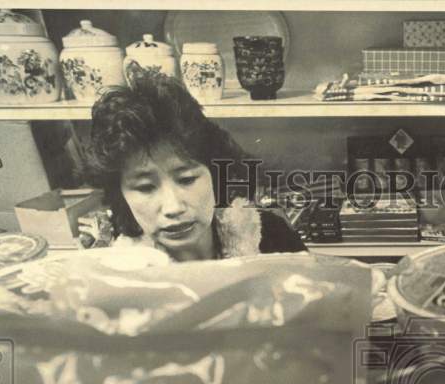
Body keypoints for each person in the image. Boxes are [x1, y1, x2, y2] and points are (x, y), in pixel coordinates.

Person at [82, 73, 305, 261]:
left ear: (216, 176)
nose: (173, 207)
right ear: (121, 196)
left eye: (187, 179)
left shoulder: (273, 238)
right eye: (145, 187)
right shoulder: (115, 273)